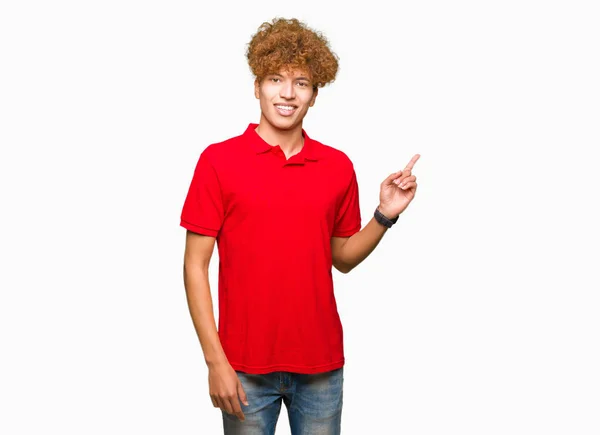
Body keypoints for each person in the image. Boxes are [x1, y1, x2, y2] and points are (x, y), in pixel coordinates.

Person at [180, 17, 420, 435]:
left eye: (302, 83)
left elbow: (342, 258)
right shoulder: (218, 161)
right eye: (275, 79)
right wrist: (215, 362)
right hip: (243, 369)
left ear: (314, 94)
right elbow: (194, 266)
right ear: (256, 86)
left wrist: (385, 215)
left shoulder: (337, 166)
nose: (287, 93)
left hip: (322, 368)